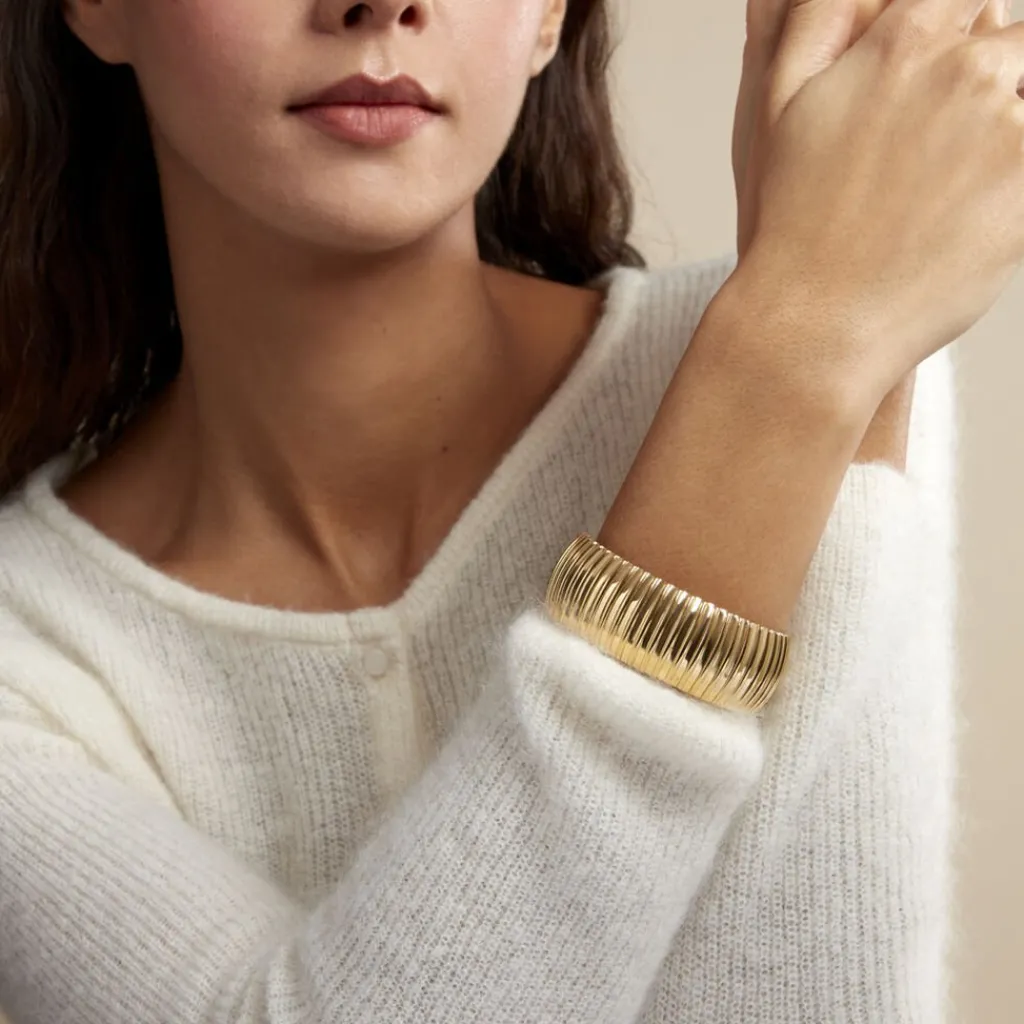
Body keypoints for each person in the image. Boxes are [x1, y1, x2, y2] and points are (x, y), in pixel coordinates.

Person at [0, 0, 1016, 1019]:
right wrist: (785, 361)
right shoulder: (802, 342)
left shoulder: (831, 330)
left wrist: (804, 342)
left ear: (548, 17)